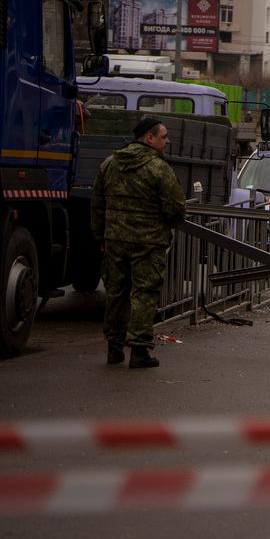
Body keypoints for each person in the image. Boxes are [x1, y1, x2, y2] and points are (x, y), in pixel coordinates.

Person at [92, 116, 188, 368]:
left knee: (116, 292)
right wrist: (166, 223)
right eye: (163, 137)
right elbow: (176, 207)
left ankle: (114, 348)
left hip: (114, 241)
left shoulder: (110, 164)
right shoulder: (159, 169)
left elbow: (97, 204)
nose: (167, 142)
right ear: (149, 137)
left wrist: (101, 235)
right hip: (149, 243)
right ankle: (139, 351)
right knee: (144, 294)